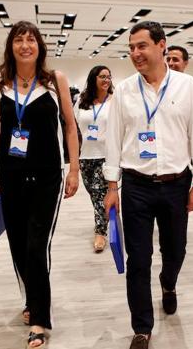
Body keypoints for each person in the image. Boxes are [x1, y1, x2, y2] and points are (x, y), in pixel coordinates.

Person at [103, 21, 193, 349]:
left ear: (162, 45)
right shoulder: (124, 91)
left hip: (177, 184)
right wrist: (111, 186)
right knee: (138, 258)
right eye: (131, 47)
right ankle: (142, 327)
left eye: (141, 46)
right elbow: (113, 139)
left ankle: (168, 284)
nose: (135, 53)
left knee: (175, 250)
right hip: (136, 185)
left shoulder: (187, 86)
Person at [0, 21, 79, 348]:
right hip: (10, 176)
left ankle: (40, 318)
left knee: (37, 248)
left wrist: (74, 168)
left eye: (31, 40)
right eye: (19, 40)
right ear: (11, 46)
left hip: (47, 177)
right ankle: (32, 299)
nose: (25, 45)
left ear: (40, 46)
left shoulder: (55, 82)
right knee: (19, 248)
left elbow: (69, 126)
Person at [74, 65, 113, 253]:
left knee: (99, 195)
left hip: (106, 156)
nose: (106, 80)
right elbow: (74, 129)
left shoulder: (114, 101)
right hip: (86, 156)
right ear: (93, 79)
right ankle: (109, 216)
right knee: (95, 195)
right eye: (102, 76)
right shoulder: (82, 101)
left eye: (108, 77)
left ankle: (100, 233)